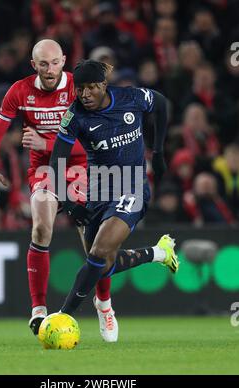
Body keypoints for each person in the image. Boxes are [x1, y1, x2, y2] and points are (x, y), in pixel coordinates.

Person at [0, 40, 116, 342]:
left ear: (64, 61)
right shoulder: (20, 91)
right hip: (45, 171)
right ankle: (39, 310)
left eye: (55, 62)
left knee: (96, 247)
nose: (50, 69)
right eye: (43, 64)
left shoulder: (79, 89)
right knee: (41, 228)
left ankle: (104, 303)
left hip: (85, 167)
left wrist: (47, 144)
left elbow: (97, 139)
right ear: (34, 65)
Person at [48, 59, 180, 316]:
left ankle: (63, 316)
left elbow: (162, 103)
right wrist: (69, 202)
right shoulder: (75, 115)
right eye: (79, 89)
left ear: (104, 85)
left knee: (98, 253)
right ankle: (159, 253)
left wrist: (159, 150)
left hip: (132, 185)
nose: (85, 94)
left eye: (91, 88)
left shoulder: (131, 98)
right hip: (98, 189)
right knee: (102, 265)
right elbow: (56, 161)